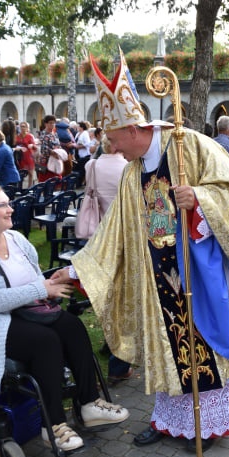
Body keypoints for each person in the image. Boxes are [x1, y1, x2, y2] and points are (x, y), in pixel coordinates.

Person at [53, 50, 229, 451]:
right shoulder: (135, 173)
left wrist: (200, 198)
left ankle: (209, 425)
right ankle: (170, 420)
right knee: (167, 347)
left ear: (133, 129)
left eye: (113, 139)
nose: (111, 148)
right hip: (157, 279)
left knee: (201, 344)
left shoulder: (191, 147)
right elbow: (112, 233)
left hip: (197, 271)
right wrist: (77, 270)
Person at [0, 185, 130, 453]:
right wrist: (40, 289)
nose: (11, 209)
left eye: (9, 203)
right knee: (45, 341)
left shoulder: (15, 239)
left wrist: (49, 285)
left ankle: (89, 404)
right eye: (3, 205)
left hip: (25, 311)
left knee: (71, 326)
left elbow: (34, 277)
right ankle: (53, 425)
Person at [83, 136, 131, 382]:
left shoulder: (91, 166)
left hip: (95, 235)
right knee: (120, 297)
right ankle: (118, 359)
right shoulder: (126, 168)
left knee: (104, 293)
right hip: (119, 236)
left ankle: (108, 342)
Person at [37, 115, 61, 183]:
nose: (52, 124)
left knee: (56, 182)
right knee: (46, 184)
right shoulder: (43, 134)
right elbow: (43, 149)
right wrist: (53, 153)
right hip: (46, 162)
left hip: (55, 161)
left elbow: (58, 145)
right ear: (46, 124)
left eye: (53, 123)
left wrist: (60, 153)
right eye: (50, 123)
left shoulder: (55, 134)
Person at [14, 121, 36, 188]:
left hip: (29, 156)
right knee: (21, 172)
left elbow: (35, 146)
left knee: (30, 173)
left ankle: (30, 187)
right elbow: (14, 145)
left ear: (27, 128)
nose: (22, 128)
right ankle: (20, 187)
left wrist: (32, 145)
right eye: (21, 126)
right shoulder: (17, 136)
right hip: (20, 156)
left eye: (24, 126)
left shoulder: (30, 136)